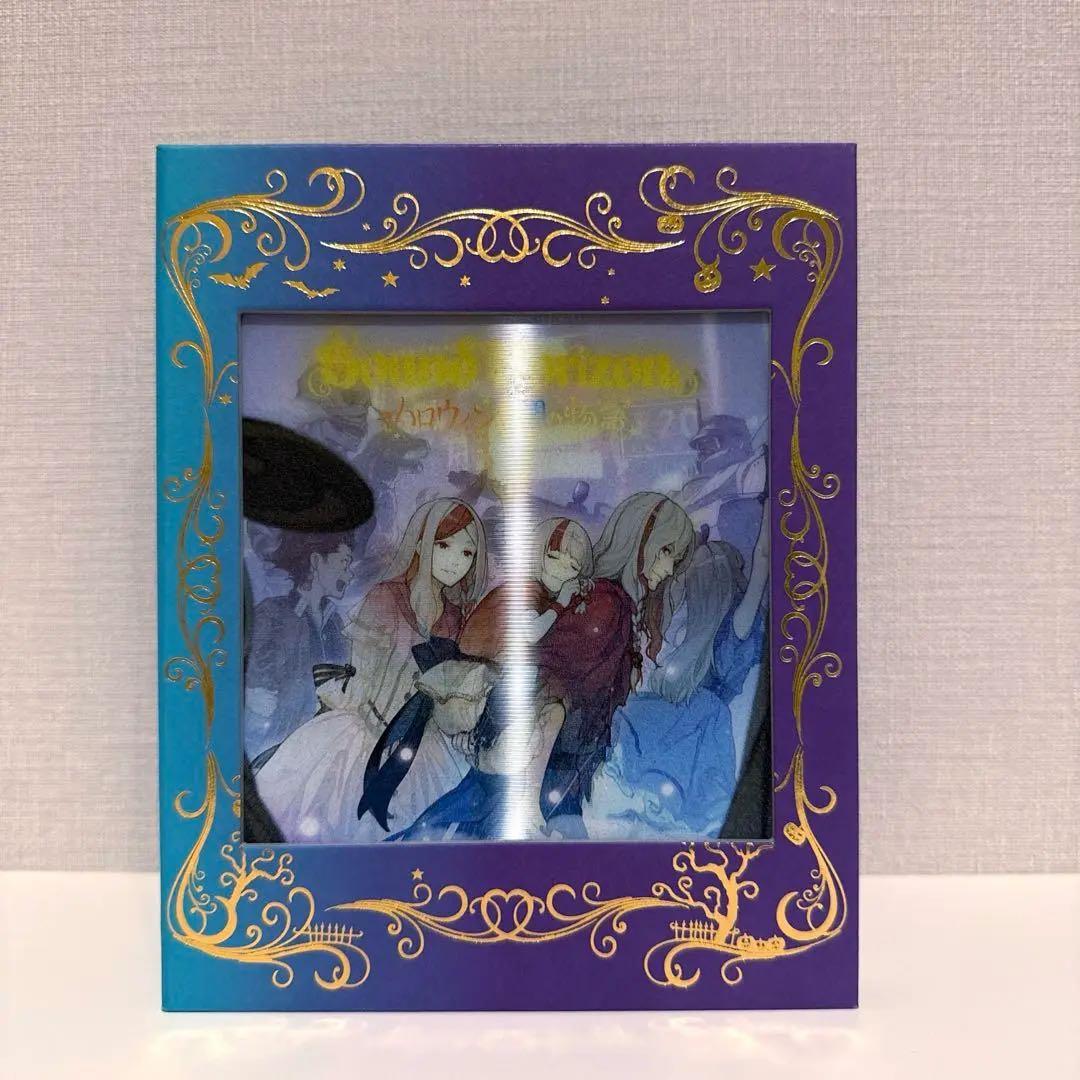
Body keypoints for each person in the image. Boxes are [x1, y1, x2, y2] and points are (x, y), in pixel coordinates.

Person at [253, 498, 487, 843]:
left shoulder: (455, 617)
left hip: (424, 742)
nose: (455, 561)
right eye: (444, 545)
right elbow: (363, 678)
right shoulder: (386, 597)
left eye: (467, 553)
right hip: (364, 731)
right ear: (422, 544)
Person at [386, 517, 595, 841]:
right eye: (553, 556)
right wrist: (563, 601)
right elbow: (529, 632)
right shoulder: (527, 590)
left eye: (572, 565)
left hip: (493, 690)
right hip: (478, 686)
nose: (560, 570)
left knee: (485, 790)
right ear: (537, 553)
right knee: (485, 785)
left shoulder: (540, 595)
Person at [541, 493, 696, 835]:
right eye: (666, 551)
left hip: (575, 753)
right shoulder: (605, 602)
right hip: (560, 754)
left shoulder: (618, 604)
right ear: (638, 536)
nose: (669, 568)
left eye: (676, 558)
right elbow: (556, 671)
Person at [244, 530, 354, 758]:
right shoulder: (271, 616)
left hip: (330, 747)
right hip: (281, 750)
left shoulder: (336, 623)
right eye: (344, 563)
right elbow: (255, 695)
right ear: (316, 561)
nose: (349, 574)